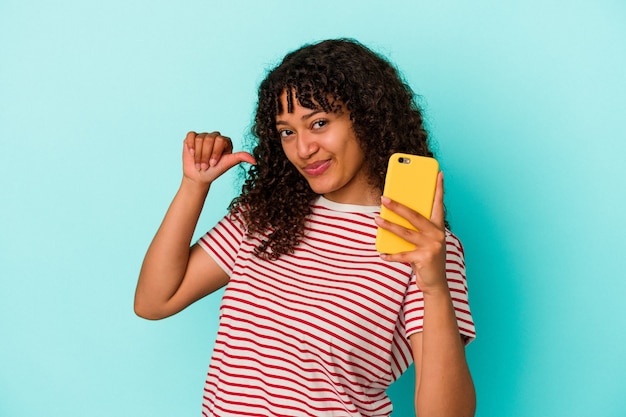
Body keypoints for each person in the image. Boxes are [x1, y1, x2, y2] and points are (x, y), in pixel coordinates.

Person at [134, 38, 476, 417]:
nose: (303, 149)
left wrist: (433, 284)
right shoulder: (265, 216)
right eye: (287, 131)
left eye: (319, 123)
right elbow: (154, 302)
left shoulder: (421, 245)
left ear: (367, 117)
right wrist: (194, 186)